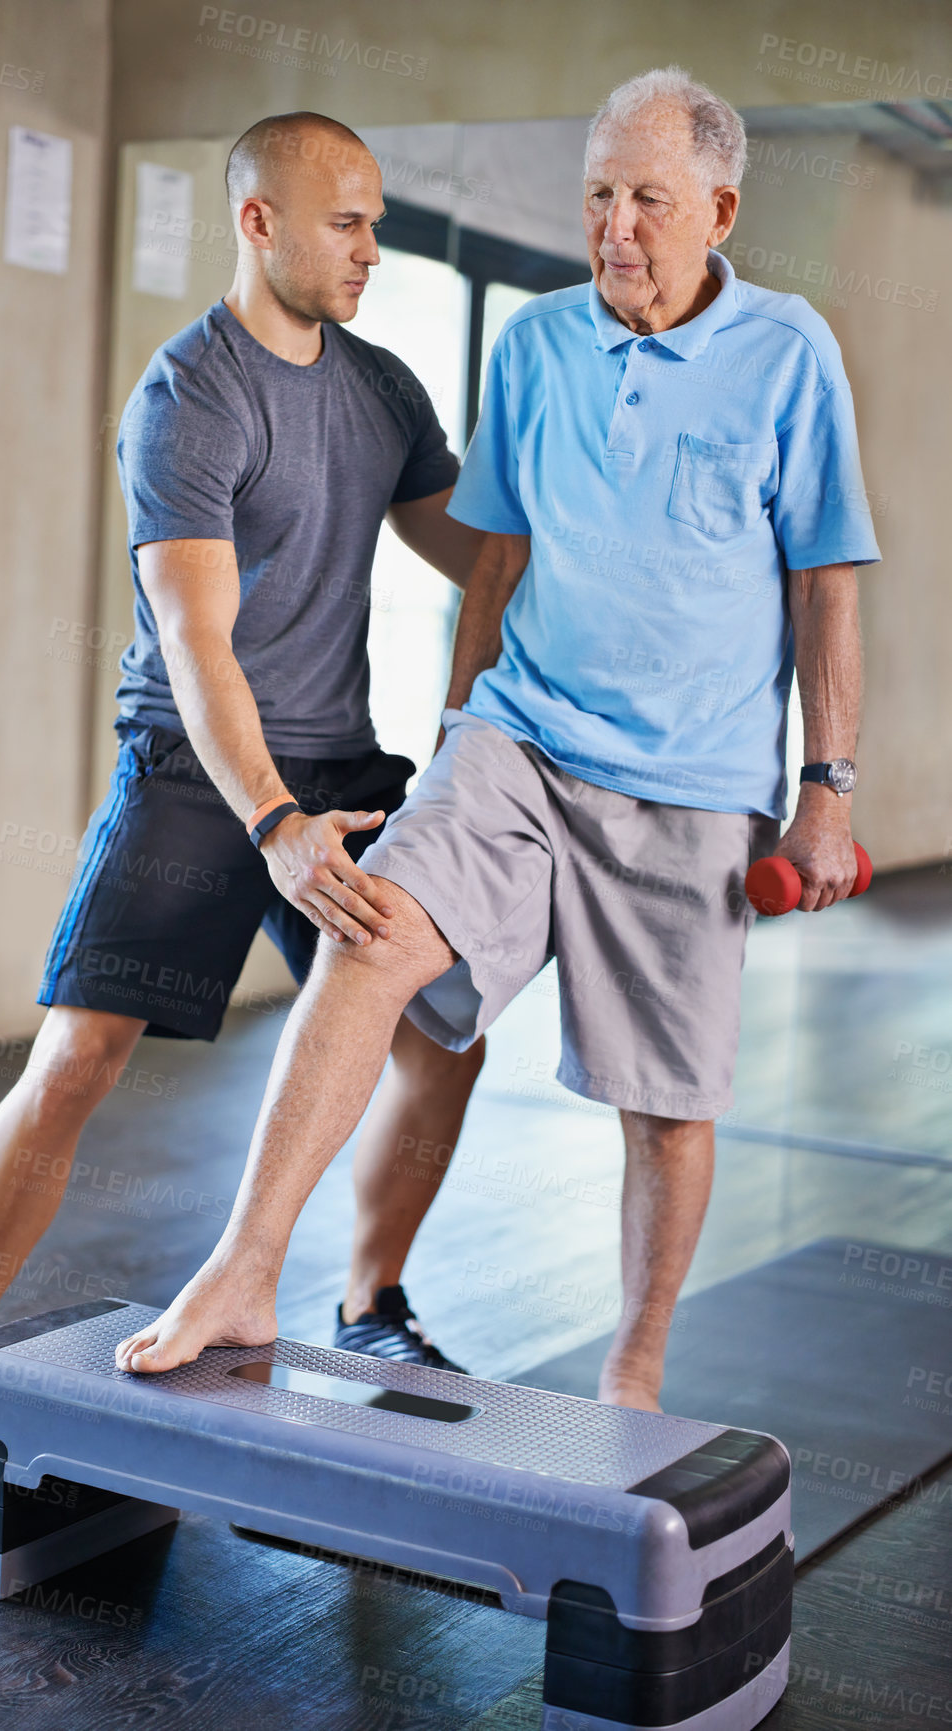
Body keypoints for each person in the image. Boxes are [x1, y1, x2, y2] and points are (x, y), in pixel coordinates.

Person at [111, 67, 882, 1411]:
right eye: (598, 195)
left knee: (670, 1104)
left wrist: (826, 790)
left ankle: (632, 1378)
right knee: (373, 942)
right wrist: (463, 721)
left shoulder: (789, 352)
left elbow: (825, 580)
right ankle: (245, 1267)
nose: (617, 226)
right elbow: (498, 560)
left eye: (648, 198)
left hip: (693, 784)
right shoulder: (531, 345)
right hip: (520, 740)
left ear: (719, 207)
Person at [0, 110, 487, 1501]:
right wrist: (273, 821)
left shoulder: (384, 391)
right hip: (205, 776)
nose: (371, 248)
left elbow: (482, 551)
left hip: (346, 767)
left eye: (378, 219)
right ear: (259, 221)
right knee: (81, 1054)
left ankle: (369, 1302)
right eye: (347, 221)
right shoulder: (189, 395)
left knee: (445, 1037)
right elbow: (196, 641)